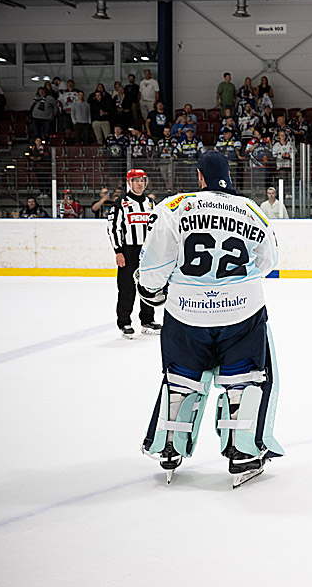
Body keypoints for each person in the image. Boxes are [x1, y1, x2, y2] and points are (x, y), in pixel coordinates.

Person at [137, 150, 283, 487]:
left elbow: (156, 263)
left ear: (200, 177)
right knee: (242, 380)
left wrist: (152, 291)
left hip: (186, 311)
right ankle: (242, 451)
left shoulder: (175, 208)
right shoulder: (251, 211)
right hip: (241, 312)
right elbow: (267, 262)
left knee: (182, 379)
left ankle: (170, 447)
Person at [106, 169, 160, 338]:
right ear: (129, 182)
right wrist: (118, 251)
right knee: (127, 288)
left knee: (148, 286)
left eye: (143, 180)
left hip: (148, 252)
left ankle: (147, 320)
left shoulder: (151, 204)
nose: (140, 184)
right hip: (129, 251)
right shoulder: (121, 204)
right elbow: (113, 229)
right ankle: (124, 322)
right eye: (136, 180)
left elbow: (157, 227)